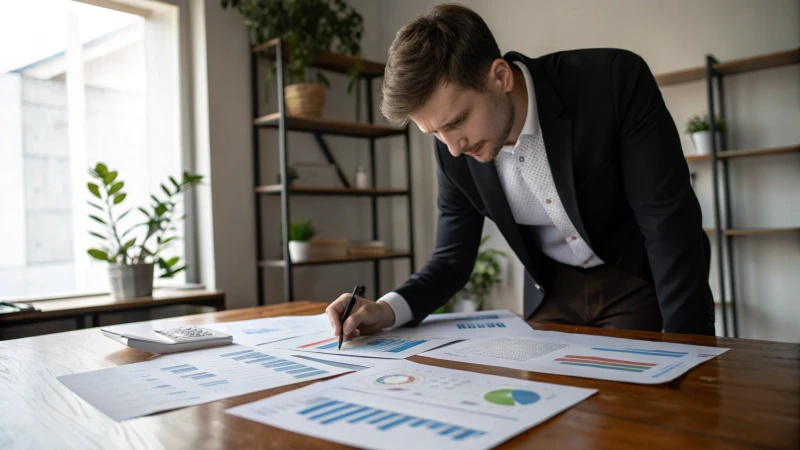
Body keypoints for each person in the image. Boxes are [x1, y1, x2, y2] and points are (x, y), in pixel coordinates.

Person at [326, 3, 715, 341]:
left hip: (635, 277)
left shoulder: (614, 81)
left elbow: (667, 223)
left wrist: (690, 348)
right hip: (550, 291)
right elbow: (450, 261)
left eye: (458, 120)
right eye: (435, 132)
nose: (453, 146)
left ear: (500, 76)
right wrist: (384, 310)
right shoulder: (451, 147)